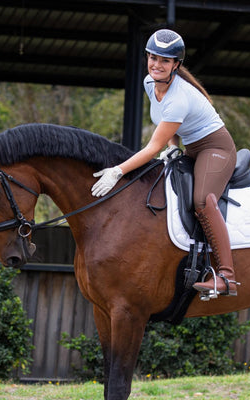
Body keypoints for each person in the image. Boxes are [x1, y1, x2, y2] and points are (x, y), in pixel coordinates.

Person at [91, 29, 238, 298]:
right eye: (153, 57)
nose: (157, 65)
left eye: (165, 60)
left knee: (203, 201)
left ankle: (226, 276)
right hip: (191, 147)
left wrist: (118, 170)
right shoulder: (150, 83)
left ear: (176, 65)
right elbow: (166, 128)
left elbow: (151, 147)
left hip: (215, 147)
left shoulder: (178, 98)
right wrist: (174, 146)